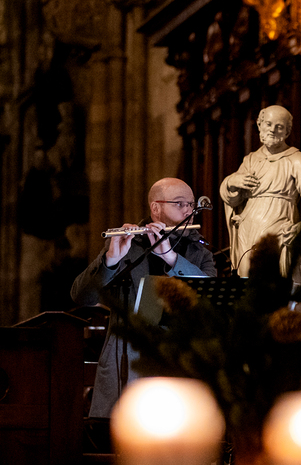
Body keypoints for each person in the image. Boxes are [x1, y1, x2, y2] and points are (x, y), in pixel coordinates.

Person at [71, 178, 216, 418]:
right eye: (180, 203)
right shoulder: (128, 244)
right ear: (156, 208)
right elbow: (81, 296)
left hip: (180, 365)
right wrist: (111, 261)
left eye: (192, 204)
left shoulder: (199, 253)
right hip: (128, 365)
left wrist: (171, 258)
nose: (189, 211)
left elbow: (209, 300)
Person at [219, 105, 301, 284]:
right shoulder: (250, 160)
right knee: (248, 285)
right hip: (247, 232)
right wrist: (231, 182)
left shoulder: (297, 160)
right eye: (268, 124)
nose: (273, 130)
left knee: (276, 286)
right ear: (259, 125)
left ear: (287, 131)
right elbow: (234, 200)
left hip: (280, 228)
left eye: (279, 126)